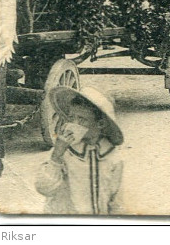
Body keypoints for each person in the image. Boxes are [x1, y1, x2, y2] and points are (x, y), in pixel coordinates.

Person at [35, 86, 124, 214]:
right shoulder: (63, 152)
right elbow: (44, 188)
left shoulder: (112, 158)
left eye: (82, 119)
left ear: (100, 124)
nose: (74, 124)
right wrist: (56, 155)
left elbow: (116, 201)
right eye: (71, 118)